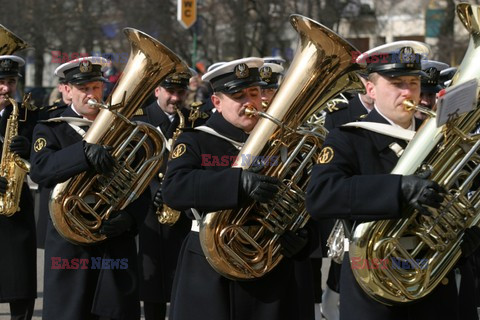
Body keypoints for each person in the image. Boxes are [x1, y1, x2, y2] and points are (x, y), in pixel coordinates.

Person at [306, 42, 480, 320]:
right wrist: (397, 189)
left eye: (413, 82)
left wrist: (467, 234)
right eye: (396, 83)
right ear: (370, 89)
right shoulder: (349, 138)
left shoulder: (440, 138)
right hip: (375, 280)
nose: (407, 91)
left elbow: (461, 198)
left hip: (434, 277)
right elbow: (320, 196)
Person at [162, 57, 318, 320]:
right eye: (238, 95)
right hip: (210, 269)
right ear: (217, 102)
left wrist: (304, 240)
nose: (249, 103)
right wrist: (237, 182)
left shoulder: (282, 144)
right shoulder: (196, 139)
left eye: (254, 93)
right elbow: (175, 189)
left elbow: (305, 202)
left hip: (271, 268)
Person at [30, 56, 149, 320]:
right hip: (70, 246)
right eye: (83, 89)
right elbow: (41, 170)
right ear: (68, 90)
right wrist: (83, 154)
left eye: (96, 87)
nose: (91, 94)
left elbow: (141, 184)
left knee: (115, 312)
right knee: (70, 312)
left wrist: (130, 219)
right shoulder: (52, 128)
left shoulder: (123, 129)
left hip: (114, 242)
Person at [134, 70, 207, 320]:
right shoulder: (139, 119)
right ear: (157, 91)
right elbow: (131, 163)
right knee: (152, 278)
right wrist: (154, 189)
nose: (176, 98)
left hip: (184, 208)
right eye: (170, 92)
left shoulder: (195, 120)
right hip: (148, 207)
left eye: (180, 92)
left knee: (182, 274)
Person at [0, 54, 37, 320]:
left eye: (11, 81)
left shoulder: (27, 116)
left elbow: (46, 155)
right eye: (0, 82)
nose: (6, 88)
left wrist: (30, 152)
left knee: (20, 280)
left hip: (17, 204)